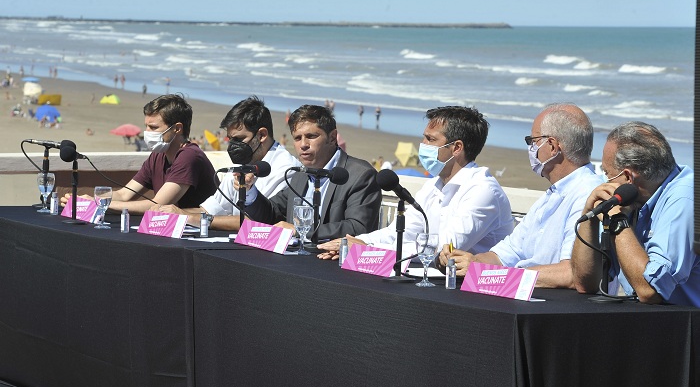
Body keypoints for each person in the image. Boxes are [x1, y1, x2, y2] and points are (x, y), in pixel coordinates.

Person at [437, 103, 602, 288]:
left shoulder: (588, 194)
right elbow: (508, 253)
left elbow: (570, 273)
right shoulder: (552, 194)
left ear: (553, 146)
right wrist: (469, 262)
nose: (531, 148)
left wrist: (493, 275)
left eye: (532, 141)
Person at [318, 106, 513, 259]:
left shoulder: (482, 191)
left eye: (430, 139)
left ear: (456, 148)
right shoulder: (434, 184)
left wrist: (367, 248)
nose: (423, 145)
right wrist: (351, 243)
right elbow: (400, 233)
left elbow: (444, 248)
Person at [571, 121, 699, 305]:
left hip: (688, 327)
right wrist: (589, 213)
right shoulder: (635, 200)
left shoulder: (686, 199)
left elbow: (651, 291)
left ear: (628, 177)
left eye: (607, 173)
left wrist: (618, 221)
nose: (603, 181)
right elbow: (586, 283)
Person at [152, 96, 300, 231]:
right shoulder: (244, 162)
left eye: (239, 139)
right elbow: (212, 209)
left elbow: (254, 220)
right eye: (230, 140)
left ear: (261, 135)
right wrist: (169, 211)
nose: (233, 146)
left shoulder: (285, 169)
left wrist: (188, 217)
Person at [243, 104, 382, 240]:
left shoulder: (360, 174)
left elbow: (358, 227)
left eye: (311, 136)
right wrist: (249, 191)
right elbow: (272, 213)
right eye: (297, 138)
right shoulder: (300, 173)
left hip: (335, 260)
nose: (303, 144)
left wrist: (300, 230)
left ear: (333, 137)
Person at [62, 94, 217, 214]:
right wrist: (86, 200)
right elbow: (124, 194)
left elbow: (157, 205)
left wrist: (98, 204)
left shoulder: (189, 156)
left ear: (177, 129)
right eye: (146, 126)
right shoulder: (158, 155)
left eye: (153, 127)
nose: (147, 132)